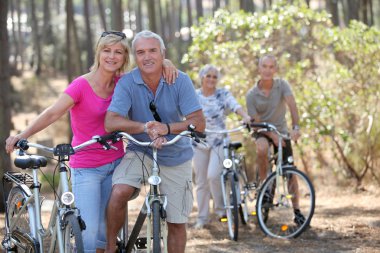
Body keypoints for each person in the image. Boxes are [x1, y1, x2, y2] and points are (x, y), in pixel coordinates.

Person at [5, 31, 178, 253]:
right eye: (107, 50)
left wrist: (165, 61)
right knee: (87, 238)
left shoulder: (123, 82)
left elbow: (148, 68)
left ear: (124, 58)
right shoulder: (81, 85)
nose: (112, 56)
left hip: (116, 164)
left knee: (105, 238)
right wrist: (23, 134)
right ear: (98, 53)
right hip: (86, 168)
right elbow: (52, 113)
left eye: (118, 52)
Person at [104, 30, 205, 253]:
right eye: (141, 52)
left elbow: (198, 122)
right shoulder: (127, 83)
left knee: (177, 221)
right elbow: (111, 122)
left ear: (162, 54)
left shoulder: (180, 80)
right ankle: (111, 247)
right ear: (135, 57)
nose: (147, 57)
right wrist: (145, 128)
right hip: (140, 150)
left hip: (176, 154)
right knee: (119, 191)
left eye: (152, 51)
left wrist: (166, 129)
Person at [245, 54, 305, 225]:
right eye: (264, 66)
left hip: (281, 131)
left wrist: (296, 128)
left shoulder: (282, 85)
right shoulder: (251, 95)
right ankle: (264, 185)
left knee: (289, 170)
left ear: (275, 69)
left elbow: (292, 105)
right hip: (262, 131)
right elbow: (255, 123)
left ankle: (297, 210)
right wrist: (271, 135)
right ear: (259, 69)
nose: (268, 70)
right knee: (262, 147)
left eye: (271, 67)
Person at [192, 64, 251, 229]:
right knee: (201, 181)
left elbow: (234, 105)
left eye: (214, 77)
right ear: (202, 77)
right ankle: (202, 218)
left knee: (213, 175)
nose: (211, 79)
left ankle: (220, 210)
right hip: (199, 142)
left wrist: (245, 116)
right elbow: (185, 112)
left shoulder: (222, 94)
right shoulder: (194, 95)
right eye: (208, 76)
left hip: (219, 141)